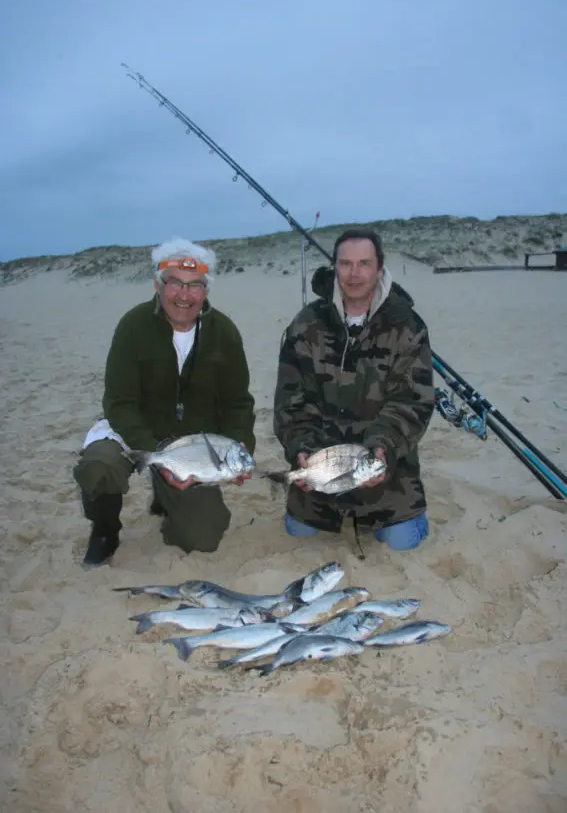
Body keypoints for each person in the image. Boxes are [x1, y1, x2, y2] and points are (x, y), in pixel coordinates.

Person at [73, 237, 256, 569]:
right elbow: (119, 402)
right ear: (158, 284)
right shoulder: (133, 326)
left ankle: (167, 501)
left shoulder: (224, 331)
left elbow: (237, 402)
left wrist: (240, 444)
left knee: (204, 537)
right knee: (99, 466)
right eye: (174, 283)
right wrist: (156, 455)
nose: (184, 296)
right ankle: (104, 531)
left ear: (206, 291)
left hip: (193, 446)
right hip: (134, 433)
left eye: (195, 286)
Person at [273, 226, 435, 552]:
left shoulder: (408, 326)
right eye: (345, 264)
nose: (354, 274)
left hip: (386, 475)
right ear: (335, 268)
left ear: (379, 268)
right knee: (298, 532)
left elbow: (412, 403)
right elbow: (291, 400)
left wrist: (383, 450)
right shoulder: (305, 325)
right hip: (323, 469)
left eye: (364, 264)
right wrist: (301, 449)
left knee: (403, 543)